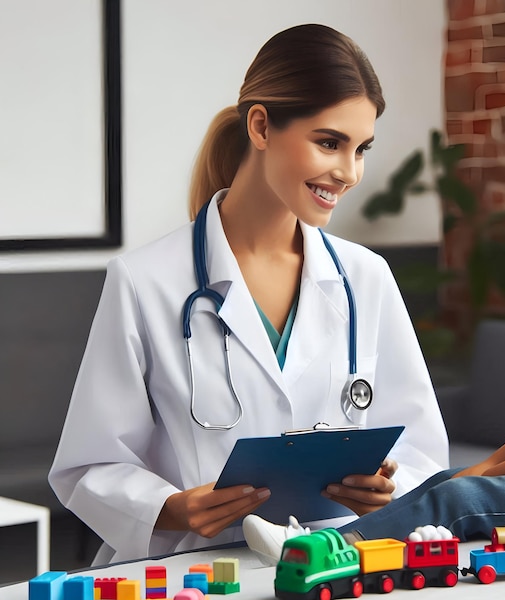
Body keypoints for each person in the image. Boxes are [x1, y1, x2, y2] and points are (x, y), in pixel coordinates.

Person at [48, 23, 448, 565]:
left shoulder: (365, 277)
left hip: (331, 563)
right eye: (329, 142)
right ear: (260, 126)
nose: (349, 172)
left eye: (360, 149)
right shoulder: (145, 281)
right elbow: (89, 465)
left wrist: (386, 488)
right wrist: (172, 507)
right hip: (194, 570)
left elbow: (421, 448)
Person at [243, 110, 505, 566]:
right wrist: (481, 470)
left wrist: (486, 479)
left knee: (458, 499)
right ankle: (337, 539)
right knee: (445, 482)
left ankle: (324, 552)